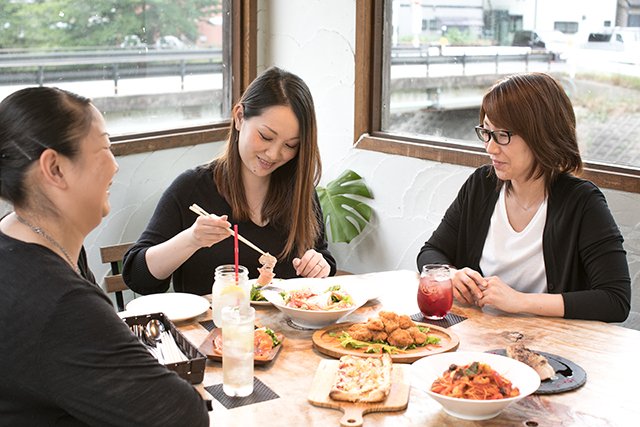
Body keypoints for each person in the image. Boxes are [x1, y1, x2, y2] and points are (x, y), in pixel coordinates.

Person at [0, 87, 208, 426]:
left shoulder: (21, 235)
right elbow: (181, 416)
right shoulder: (59, 302)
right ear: (54, 168)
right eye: (105, 148)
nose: (114, 164)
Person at [416, 72, 630, 323]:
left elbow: (615, 300)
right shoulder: (481, 185)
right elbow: (431, 251)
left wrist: (520, 301)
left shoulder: (582, 202)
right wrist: (450, 275)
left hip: (548, 345)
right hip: (478, 333)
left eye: (503, 136)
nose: (490, 147)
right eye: (486, 132)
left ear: (541, 135)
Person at [123, 66, 337, 296]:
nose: (274, 154)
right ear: (239, 117)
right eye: (266, 136)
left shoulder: (300, 193)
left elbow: (322, 257)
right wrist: (191, 239)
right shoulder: (191, 189)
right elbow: (138, 277)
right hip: (209, 329)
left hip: (285, 330)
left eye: (290, 145)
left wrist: (319, 264)